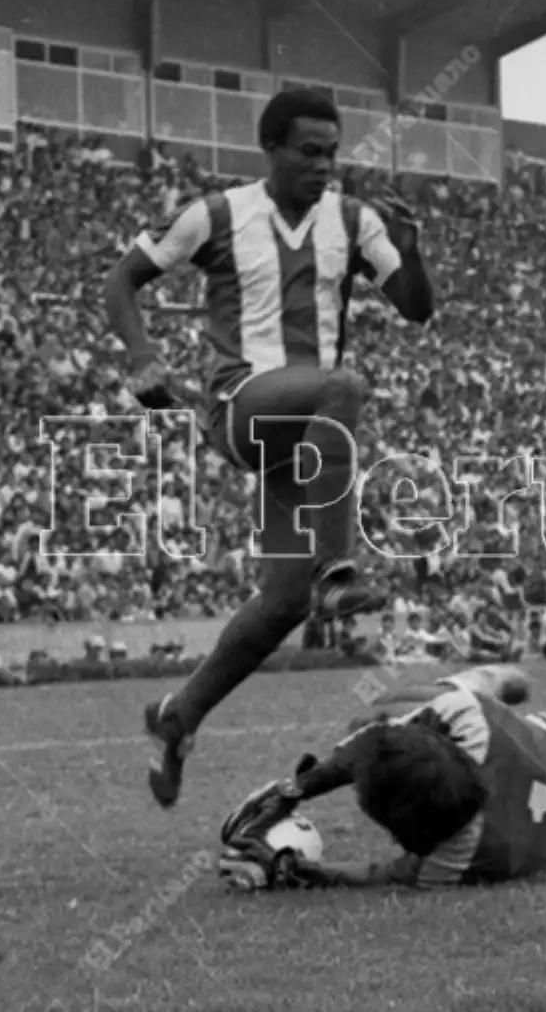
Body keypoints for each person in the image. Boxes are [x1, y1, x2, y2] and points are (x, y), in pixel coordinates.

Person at [106, 88, 435, 810]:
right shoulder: (218, 213)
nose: (323, 165)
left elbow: (415, 307)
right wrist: (141, 358)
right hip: (241, 408)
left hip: (303, 437)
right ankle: (342, 568)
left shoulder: (353, 220)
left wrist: (412, 257)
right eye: (309, 151)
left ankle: (177, 717)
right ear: (272, 148)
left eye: (332, 153)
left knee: (284, 602)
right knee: (342, 387)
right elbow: (123, 277)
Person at [215, 665, 546, 890]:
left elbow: (380, 875)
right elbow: (375, 746)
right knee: (470, 690)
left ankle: (501, 680)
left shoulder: (453, 858)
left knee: (376, 717)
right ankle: (506, 678)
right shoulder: (471, 721)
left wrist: (297, 869)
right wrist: (298, 787)